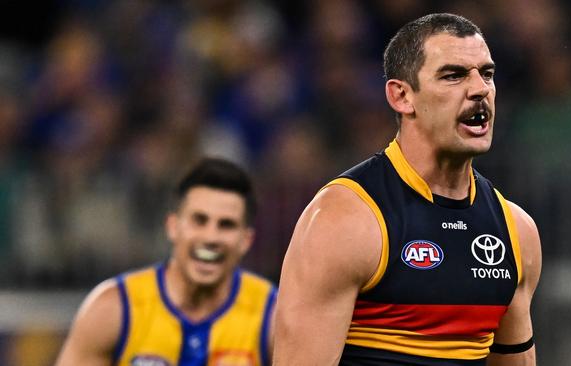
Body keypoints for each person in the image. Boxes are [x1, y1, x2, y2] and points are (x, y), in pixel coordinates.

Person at [273, 13, 542, 366]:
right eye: (454, 75)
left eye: (487, 74)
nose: (480, 89)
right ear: (401, 96)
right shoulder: (344, 220)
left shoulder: (516, 232)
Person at [55, 157, 277, 366]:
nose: (211, 237)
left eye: (226, 225)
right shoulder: (113, 308)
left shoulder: (273, 317)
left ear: (246, 240)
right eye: (199, 220)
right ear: (173, 226)